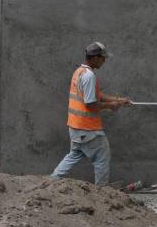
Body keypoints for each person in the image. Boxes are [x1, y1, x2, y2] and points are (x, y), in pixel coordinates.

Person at [51, 42, 131, 185]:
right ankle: (102, 192)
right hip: (87, 130)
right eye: (102, 58)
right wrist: (111, 106)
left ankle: (51, 182)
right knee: (102, 157)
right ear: (94, 58)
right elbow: (90, 103)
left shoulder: (79, 72)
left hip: (75, 127)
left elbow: (95, 94)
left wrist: (117, 99)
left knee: (74, 155)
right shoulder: (89, 76)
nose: (104, 61)